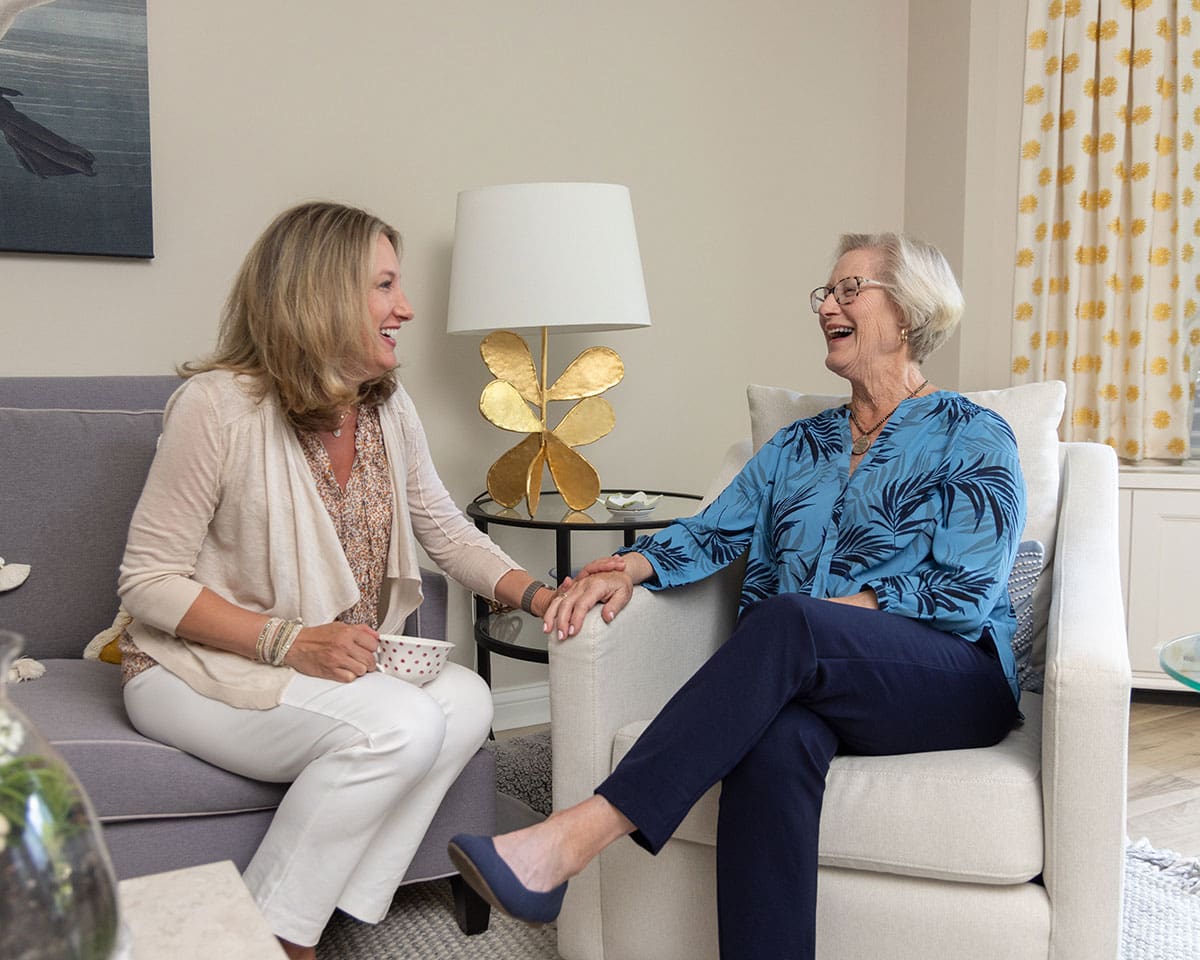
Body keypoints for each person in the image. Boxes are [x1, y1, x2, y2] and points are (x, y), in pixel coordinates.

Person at [448, 232, 1027, 958]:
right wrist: (628, 567)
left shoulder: (974, 435)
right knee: (772, 742)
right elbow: (711, 532)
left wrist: (819, 624)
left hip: (951, 679)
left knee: (790, 624)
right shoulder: (797, 446)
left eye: (851, 290)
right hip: (812, 677)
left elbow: (964, 591)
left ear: (909, 312)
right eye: (826, 293)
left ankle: (570, 839)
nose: (828, 306)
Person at [116, 201, 566, 959]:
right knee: (404, 723)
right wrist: (289, 641)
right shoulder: (217, 407)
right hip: (189, 669)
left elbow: (444, 528)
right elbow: (147, 581)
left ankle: (330, 908)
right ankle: (274, 941)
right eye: (385, 285)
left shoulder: (386, 408)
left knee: (466, 700)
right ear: (321, 294)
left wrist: (542, 595)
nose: (406, 308)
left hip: (319, 666)